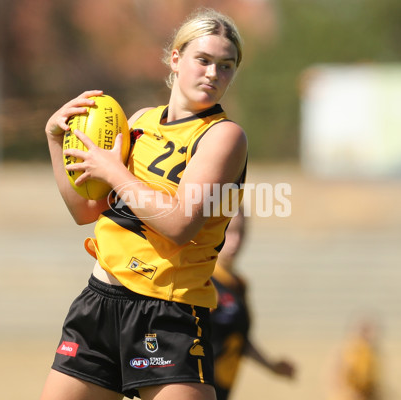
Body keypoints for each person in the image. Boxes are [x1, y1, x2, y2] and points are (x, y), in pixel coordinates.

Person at [41, 8, 247, 400]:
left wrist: (114, 171)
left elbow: (180, 224)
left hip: (166, 313)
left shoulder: (224, 136)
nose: (213, 74)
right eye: (203, 60)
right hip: (98, 302)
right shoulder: (137, 121)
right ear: (175, 58)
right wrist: (55, 140)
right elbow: (85, 211)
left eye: (226, 66)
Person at [210, 210, 296, 400]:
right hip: (200, 387)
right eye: (229, 231)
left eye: (241, 232)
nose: (236, 240)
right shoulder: (203, 280)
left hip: (224, 391)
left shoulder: (239, 284)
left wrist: (271, 366)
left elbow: (240, 338)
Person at [326, 317, 382, 400]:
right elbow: (335, 376)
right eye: (364, 331)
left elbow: (373, 379)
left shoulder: (372, 352)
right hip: (349, 394)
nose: (368, 335)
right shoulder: (347, 350)